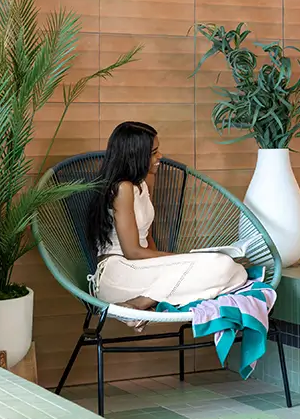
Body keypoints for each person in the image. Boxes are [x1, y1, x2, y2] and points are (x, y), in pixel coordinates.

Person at [86, 121, 248, 324]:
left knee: (237, 272)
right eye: (153, 152)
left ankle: (145, 301)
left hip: (144, 270)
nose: (159, 157)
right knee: (220, 264)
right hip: (119, 274)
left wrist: (177, 264)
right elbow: (132, 252)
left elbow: (148, 238)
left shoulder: (143, 183)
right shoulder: (122, 188)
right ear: (135, 155)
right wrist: (181, 259)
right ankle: (139, 304)